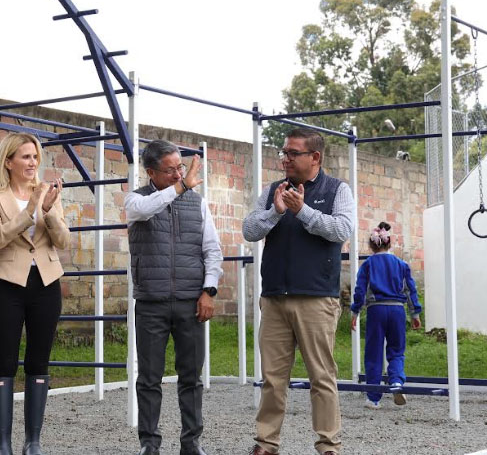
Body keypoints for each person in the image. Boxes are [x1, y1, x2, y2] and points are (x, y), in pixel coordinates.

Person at [243, 128, 354, 455]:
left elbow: (342, 230)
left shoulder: (337, 190)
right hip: (275, 299)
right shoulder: (272, 191)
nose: (285, 159)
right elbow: (249, 230)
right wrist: (276, 211)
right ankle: (266, 444)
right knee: (272, 378)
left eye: (293, 153)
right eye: (284, 152)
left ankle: (329, 446)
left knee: (322, 377)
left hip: (317, 299)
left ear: (315, 157)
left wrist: (302, 211)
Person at [124, 139, 224, 455]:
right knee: (149, 378)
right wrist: (180, 189)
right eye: (171, 170)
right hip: (150, 303)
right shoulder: (135, 200)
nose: (179, 174)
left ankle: (191, 444)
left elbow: (212, 250)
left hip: (191, 302)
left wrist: (209, 290)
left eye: (180, 167)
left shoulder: (198, 203)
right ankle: (149, 444)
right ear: (151, 172)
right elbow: (145, 209)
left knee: (191, 378)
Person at [0, 132, 69, 455]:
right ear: (9, 162)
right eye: (26, 157)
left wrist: (47, 210)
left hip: (46, 284)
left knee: (38, 361)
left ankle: (33, 442)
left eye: (35, 157)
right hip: (7, 285)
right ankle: (3, 445)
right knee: (4, 362)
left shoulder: (48, 192)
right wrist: (28, 212)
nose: (32, 163)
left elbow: (64, 241)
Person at [350, 221, 422, 409]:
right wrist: (415, 313)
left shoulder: (368, 264)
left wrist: (355, 311)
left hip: (376, 310)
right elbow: (410, 289)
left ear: (371, 245)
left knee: (373, 353)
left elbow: (360, 290)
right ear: (390, 243)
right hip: (397, 310)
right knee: (397, 350)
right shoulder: (402, 264)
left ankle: (373, 398)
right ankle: (396, 382)